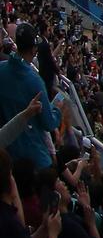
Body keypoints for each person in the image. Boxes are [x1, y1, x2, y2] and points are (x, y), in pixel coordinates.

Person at [0, 31, 57, 171]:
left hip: (6, 152)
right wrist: (58, 111)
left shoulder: (1, 68)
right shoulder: (35, 81)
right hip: (31, 156)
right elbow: (49, 123)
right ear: (33, 49)